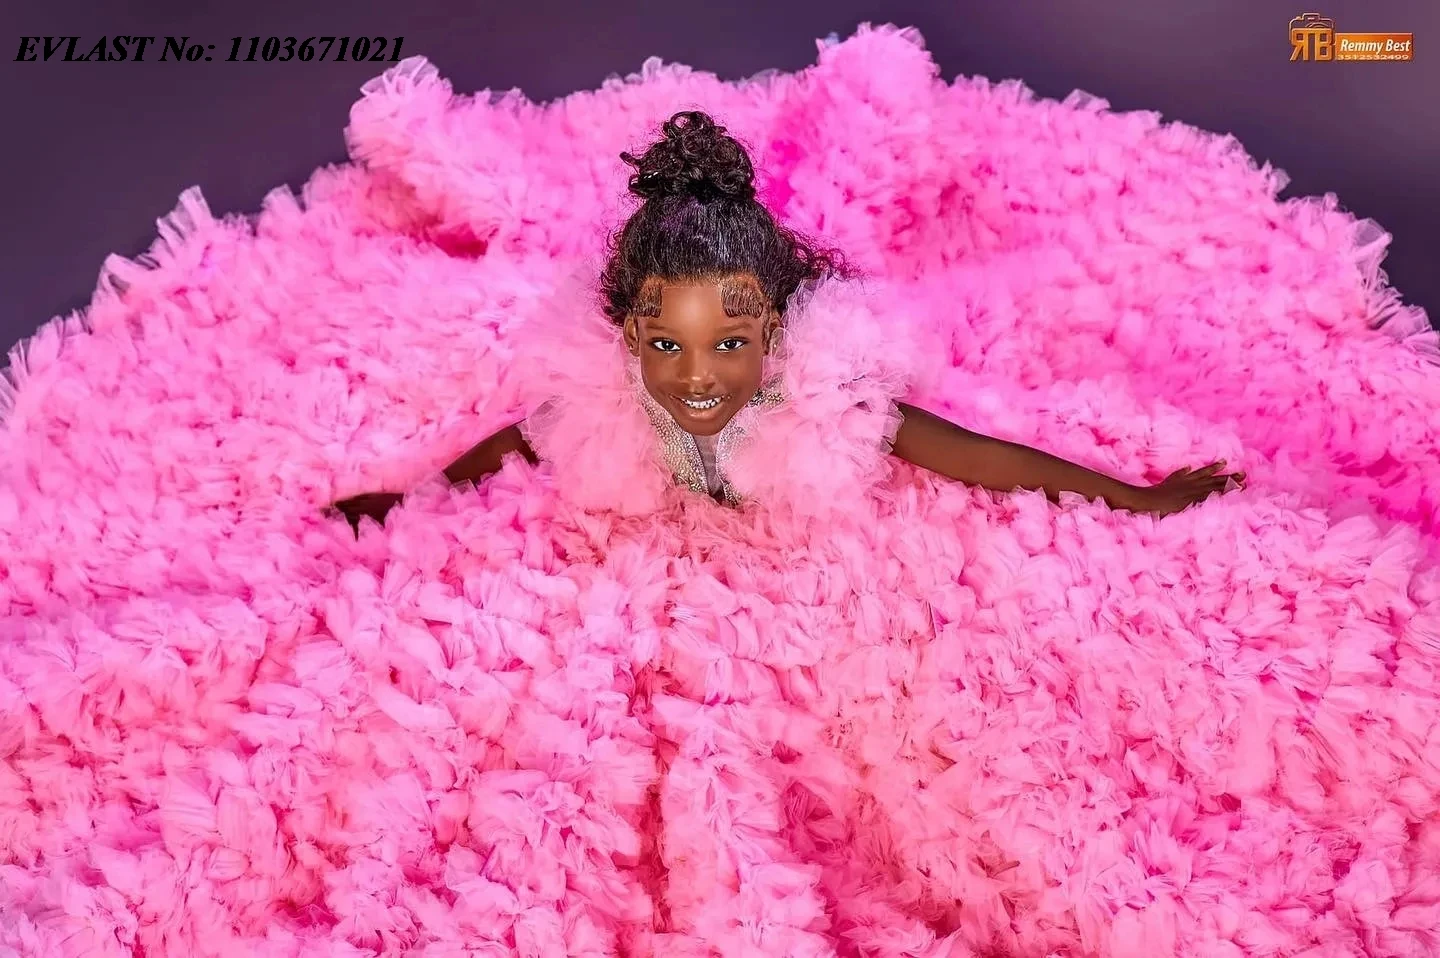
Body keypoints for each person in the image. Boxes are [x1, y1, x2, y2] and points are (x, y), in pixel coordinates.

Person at [331, 110, 1243, 533]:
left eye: (729, 345)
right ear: (627, 338)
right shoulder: (609, 401)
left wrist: (1135, 496)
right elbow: (514, 444)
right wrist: (408, 502)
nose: (696, 378)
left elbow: (981, 457)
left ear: (773, 336)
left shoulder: (819, 406)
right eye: (665, 346)